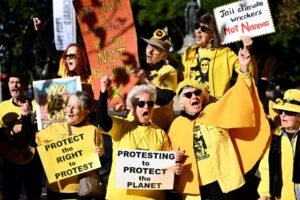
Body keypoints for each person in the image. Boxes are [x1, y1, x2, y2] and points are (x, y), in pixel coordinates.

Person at [168, 48, 270, 199]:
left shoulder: (215, 111)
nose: (193, 97)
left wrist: (243, 68)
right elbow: (167, 156)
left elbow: (239, 96)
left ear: (203, 97)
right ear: (181, 103)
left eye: (197, 93)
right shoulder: (176, 125)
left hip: (225, 185)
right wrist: (172, 159)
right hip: (194, 190)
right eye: (188, 95)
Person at [96, 76, 183, 200]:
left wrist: (175, 168)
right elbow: (102, 119)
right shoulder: (121, 127)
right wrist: (103, 91)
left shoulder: (160, 134)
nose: (146, 107)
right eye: (141, 104)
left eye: (150, 103)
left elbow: (168, 171)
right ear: (132, 108)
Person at [35, 91, 104, 199]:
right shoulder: (55, 128)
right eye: (68, 106)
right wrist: (26, 119)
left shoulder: (93, 131)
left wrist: (99, 155)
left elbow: (102, 163)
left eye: (75, 107)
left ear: (85, 112)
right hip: (55, 189)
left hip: (81, 190)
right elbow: (33, 144)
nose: (70, 110)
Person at [182, 13, 258, 102]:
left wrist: (248, 52)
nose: (198, 30)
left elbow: (251, 75)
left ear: (213, 33)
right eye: (196, 26)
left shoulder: (226, 53)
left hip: (217, 106)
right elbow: (184, 79)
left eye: (203, 28)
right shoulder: (189, 52)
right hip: (193, 105)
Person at [0, 74, 43, 200]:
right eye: (11, 82)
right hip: (10, 162)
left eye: (18, 82)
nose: (14, 85)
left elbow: (45, 127)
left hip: (33, 160)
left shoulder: (36, 104)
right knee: (10, 195)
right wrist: (11, 132)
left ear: (24, 85)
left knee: (34, 194)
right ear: (8, 85)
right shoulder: (2, 107)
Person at [257, 89, 300, 200]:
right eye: (281, 111)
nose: (283, 115)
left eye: (289, 112)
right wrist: (265, 194)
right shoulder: (273, 138)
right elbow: (266, 169)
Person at [139, 29, 178, 130]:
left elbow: (164, 98)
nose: (150, 51)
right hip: (139, 128)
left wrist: (145, 81)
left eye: (156, 49)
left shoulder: (169, 71)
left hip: (160, 129)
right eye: (149, 46)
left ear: (164, 55)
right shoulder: (139, 69)